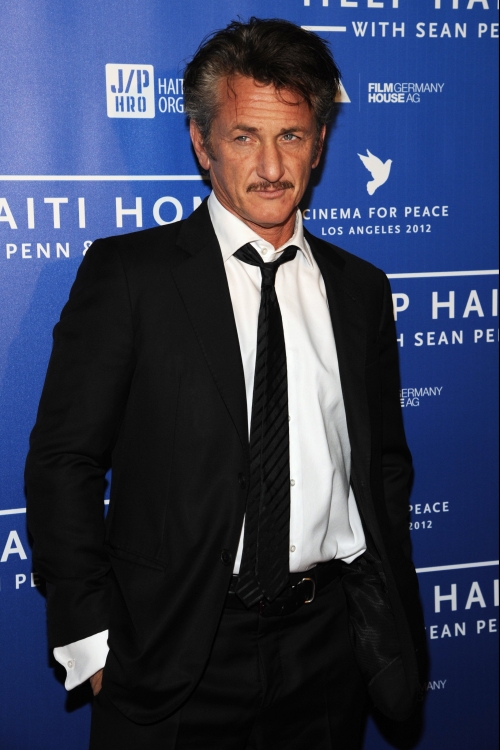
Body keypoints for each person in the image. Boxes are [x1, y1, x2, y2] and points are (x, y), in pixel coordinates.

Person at [26, 17, 427, 750]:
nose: (271, 166)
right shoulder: (131, 276)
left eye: (292, 136)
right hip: (171, 651)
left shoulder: (361, 289)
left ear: (319, 143)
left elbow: (383, 465)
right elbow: (63, 461)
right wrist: (90, 639)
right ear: (202, 143)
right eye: (245, 137)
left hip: (327, 653)